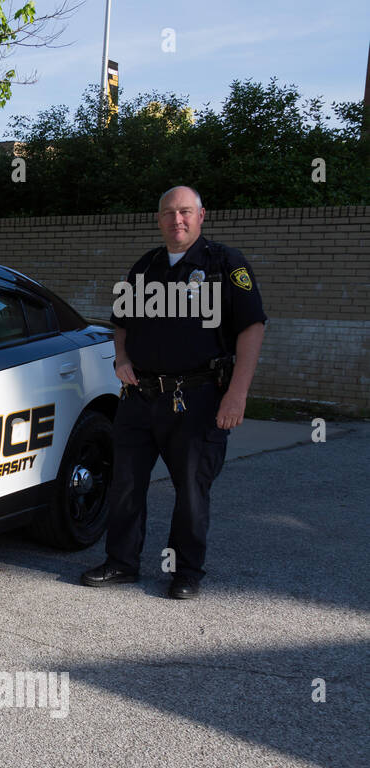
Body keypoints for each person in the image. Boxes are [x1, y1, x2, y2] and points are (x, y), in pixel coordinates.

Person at [81, 186, 266, 599]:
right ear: (159, 219)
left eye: (185, 212)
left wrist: (237, 394)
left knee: (191, 488)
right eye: (168, 213)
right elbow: (122, 323)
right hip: (140, 397)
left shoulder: (225, 265)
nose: (176, 220)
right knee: (126, 483)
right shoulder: (145, 267)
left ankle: (186, 572)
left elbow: (252, 328)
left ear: (202, 215)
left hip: (198, 398)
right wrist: (122, 359)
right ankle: (122, 563)